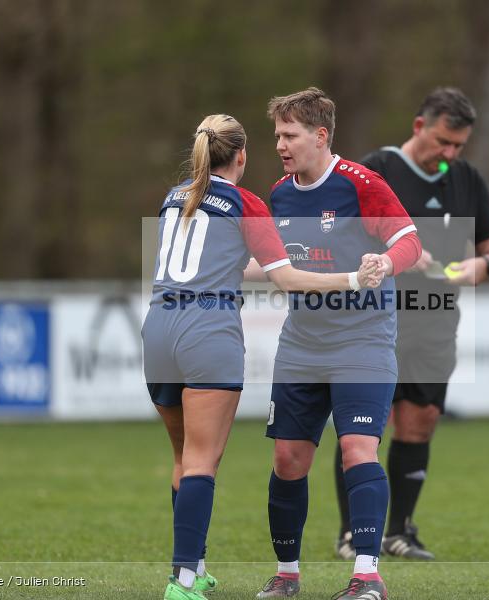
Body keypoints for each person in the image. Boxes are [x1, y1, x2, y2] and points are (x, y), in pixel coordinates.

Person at [141, 113, 383, 600]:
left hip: (158, 326)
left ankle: (196, 568)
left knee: (182, 456)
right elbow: (288, 278)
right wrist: (353, 280)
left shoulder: (175, 197)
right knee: (202, 462)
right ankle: (183, 582)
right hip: (206, 330)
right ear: (242, 156)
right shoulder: (246, 203)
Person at [255, 88, 422, 600]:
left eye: (290, 135)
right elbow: (271, 265)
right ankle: (287, 574)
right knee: (288, 460)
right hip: (302, 345)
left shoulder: (361, 185)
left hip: (364, 341)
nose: (281, 145)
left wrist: (384, 264)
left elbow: (410, 243)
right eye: (277, 135)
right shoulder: (278, 195)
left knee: (357, 450)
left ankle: (367, 576)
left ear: (320, 135)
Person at [330, 86, 489, 561]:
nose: (449, 154)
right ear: (418, 127)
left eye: (458, 146)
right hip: (374, 320)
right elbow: (340, 237)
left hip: (436, 322)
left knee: (421, 420)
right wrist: (399, 254)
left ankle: (399, 532)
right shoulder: (377, 171)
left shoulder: (466, 178)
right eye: (442, 142)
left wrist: (484, 265)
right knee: (363, 426)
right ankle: (352, 533)